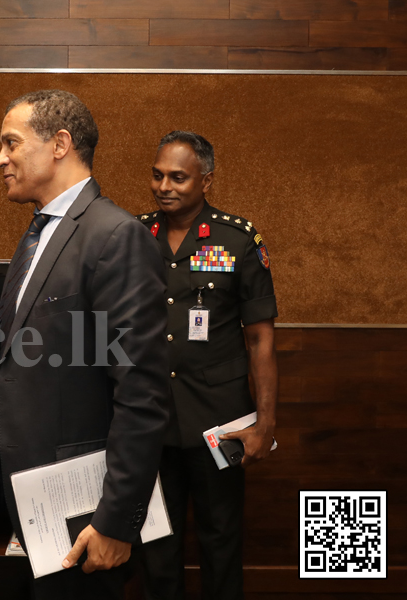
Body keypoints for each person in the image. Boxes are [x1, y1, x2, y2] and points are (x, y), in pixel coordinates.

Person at [0, 90, 170, 599]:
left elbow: (143, 394)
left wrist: (116, 522)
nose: (0, 158)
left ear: (60, 144)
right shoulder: (40, 233)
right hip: (35, 505)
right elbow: (8, 347)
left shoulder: (115, 236)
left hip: (87, 516)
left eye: (11, 143)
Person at [136, 131, 278, 600]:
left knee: (220, 543)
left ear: (206, 180)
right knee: (157, 545)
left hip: (220, 421)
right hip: (150, 419)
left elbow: (259, 338)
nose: (164, 186)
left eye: (178, 177)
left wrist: (265, 424)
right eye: (157, 175)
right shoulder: (133, 236)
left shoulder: (236, 239)